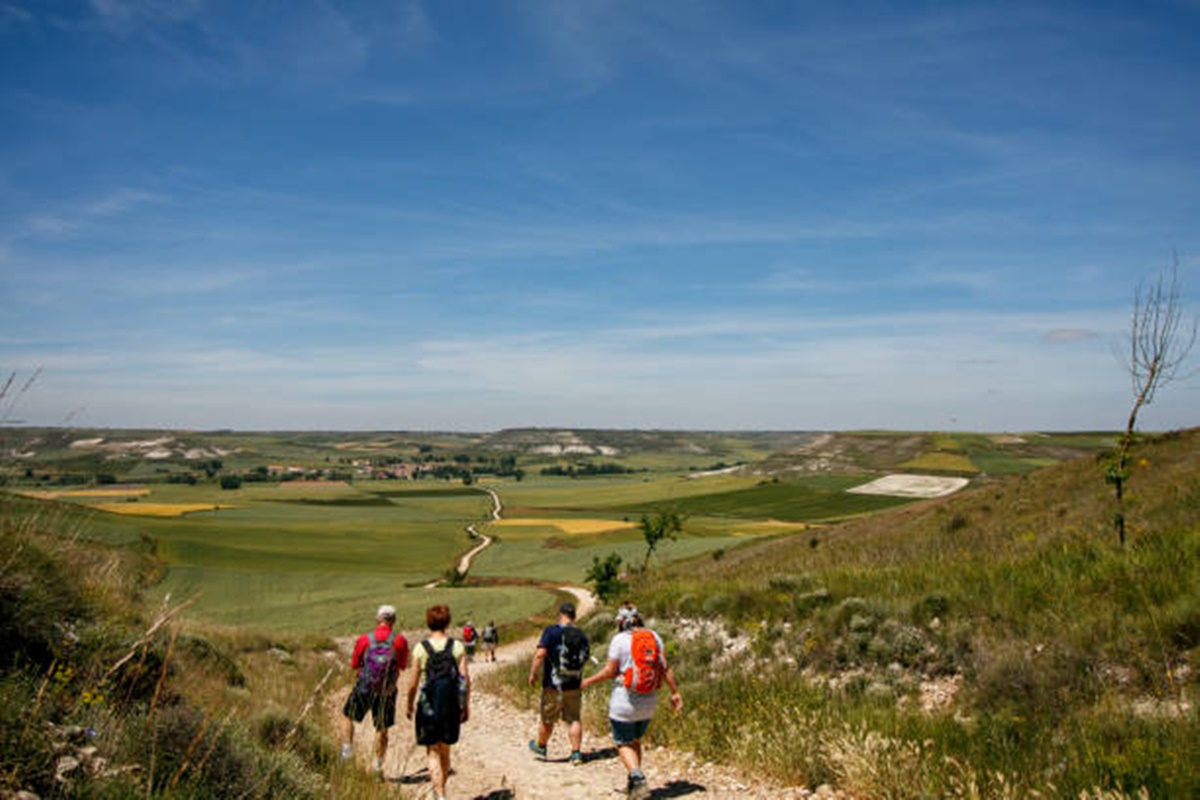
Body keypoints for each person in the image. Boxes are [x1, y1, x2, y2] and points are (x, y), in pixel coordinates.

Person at [581, 606, 682, 799]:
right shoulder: (654, 636)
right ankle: (634, 785)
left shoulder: (619, 640)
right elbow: (665, 668)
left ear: (621, 622)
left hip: (624, 701)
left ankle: (638, 778)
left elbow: (610, 671)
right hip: (649, 702)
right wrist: (675, 692)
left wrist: (587, 681)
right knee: (635, 740)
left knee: (622, 742)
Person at [406, 604, 470, 800]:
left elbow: (413, 683)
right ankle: (440, 791)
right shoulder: (457, 647)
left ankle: (440, 795)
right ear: (447, 623)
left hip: (428, 706)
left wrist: (409, 704)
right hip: (450, 705)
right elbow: (465, 680)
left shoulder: (420, 648)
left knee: (432, 751)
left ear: (428, 623)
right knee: (445, 751)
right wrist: (465, 705)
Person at [339, 604, 409, 773]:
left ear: (377, 619)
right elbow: (402, 666)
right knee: (381, 728)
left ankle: (347, 753)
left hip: (364, 687)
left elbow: (354, 664)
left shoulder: (365, 639)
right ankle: (377, 767)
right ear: (394, 620)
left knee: (347, 716)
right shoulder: (400, 641)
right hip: (387, 691)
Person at [527, 600, 589, 766]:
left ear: (560, 614)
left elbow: (540, 654)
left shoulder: (551, 631)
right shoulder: (580, 634)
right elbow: (585, 657)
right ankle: (576, 753)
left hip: (553, 685)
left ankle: (541, 746)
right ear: (573, 616)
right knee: (574, 719)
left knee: (548, 719)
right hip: (574, 684)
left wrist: (533, 673)